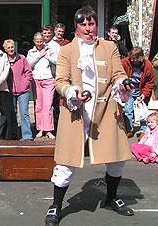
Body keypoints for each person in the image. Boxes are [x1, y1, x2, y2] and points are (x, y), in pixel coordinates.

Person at [44, 6, 134, 226]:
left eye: (91, 24)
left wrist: (124, 84)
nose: (88, 28)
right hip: (76, 113)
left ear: (96, 25)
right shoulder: (67, 51)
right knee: (66, 163)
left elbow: (118, 75)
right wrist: (71, 92)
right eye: (83, 24)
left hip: (105, 111)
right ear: (76, 27)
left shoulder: (109, 47)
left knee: (116, 159)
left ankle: (111, 198)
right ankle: (56, 205)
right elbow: (60, 82)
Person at [27, 32, 56, 140]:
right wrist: (39, 56)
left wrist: (46, 56)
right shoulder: (31, 52)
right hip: (36, 80)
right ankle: (40, 128)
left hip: (48, 79)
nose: (39, 44)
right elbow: (28, 65)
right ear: (34, 41)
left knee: (47, 106)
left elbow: (57, 61)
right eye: (37, 42)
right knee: (38, 105)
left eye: (41, 41)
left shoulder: (49, 50)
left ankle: (48, 130)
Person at [3, 39, 33, 141]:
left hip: (23, 91)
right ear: (5, 49)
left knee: (24, 113)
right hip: (10, 91)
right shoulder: (4, 59)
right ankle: (14, 134)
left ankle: (27, 135)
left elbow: (28, 72)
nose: (11, 49)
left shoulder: (22, 58)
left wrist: (25, 83)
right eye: (8, 48)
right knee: (13, 113)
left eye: (12, 47)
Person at [121, 47, 155, 140]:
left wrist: (145, 94)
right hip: (130, 90)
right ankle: (129, 129)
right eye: (131, 58)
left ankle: (143, 131)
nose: (132, 60)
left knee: (142, 112)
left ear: (140, 58)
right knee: (128, 109)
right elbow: (119, 72)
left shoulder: (147, 65)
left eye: (135, 58)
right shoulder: (125, 62)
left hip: (141, 90)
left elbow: (150, 82)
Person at [42, 25, 61, 136]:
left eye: (48, 33)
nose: (46, 35)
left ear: (52, 33)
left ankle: (55, 127)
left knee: (54, 104)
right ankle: (44, 127)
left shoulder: (56, 46)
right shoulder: (41, 45)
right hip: (42, 77)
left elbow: (58, 60)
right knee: (43, 105)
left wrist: (47, 57)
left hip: (53, 76)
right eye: (44, 33)